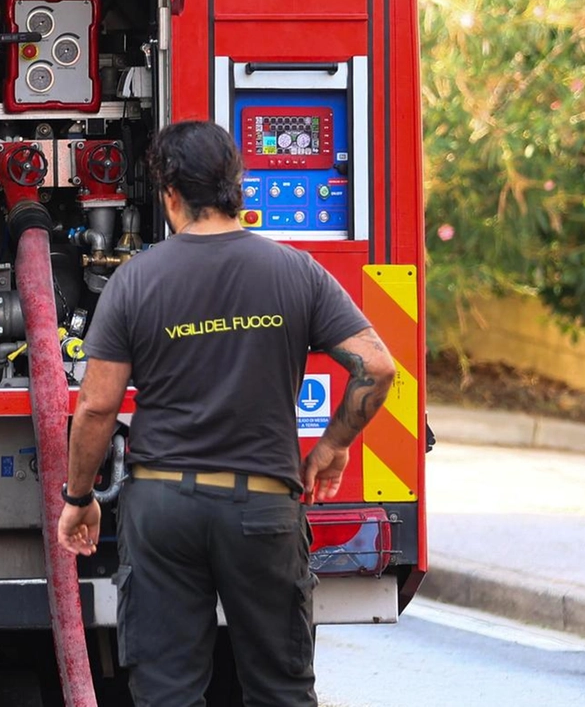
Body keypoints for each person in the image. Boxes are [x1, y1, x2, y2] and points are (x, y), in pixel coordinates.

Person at [55, 121, 397, 706]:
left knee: (168, 692)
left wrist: (79, 497)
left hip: (163, 509)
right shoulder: (297, 271)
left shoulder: (135, 280)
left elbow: (96, 406)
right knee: (279, 688)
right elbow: (378, 366)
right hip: (263, 506)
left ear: (168, 193)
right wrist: (334, 443)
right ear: (237, 184)